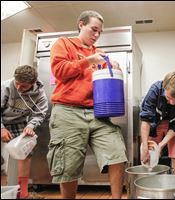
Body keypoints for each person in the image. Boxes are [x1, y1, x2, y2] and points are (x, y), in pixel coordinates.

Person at [47, 10, 127, 199]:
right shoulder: (64, 43)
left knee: (116, 153)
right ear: (81, 25)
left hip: (97, 112)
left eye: (100, 32)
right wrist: (88, 61)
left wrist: (114, 67)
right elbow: (60, 71)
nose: (97, 35)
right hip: (67, 111)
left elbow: (104, 82)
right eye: (94, 30)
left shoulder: (99, 53)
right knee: (68, 165)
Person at [1, 65, 48, 199]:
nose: (19, 88)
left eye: (24, 86)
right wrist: (1, 128)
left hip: (18, 121)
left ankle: (23, 194)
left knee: (25, 154)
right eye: (17, 84)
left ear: (32, 84)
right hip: (2, 119)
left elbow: (39, 114)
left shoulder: (40, 94)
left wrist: (31, 126)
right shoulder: (5, 87)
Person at [140, 71, 175, 175]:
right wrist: (144, 146)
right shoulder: (155, 90)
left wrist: (162, 144)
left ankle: (174, 184)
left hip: (174, 126)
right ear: (164, 87)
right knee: (150, 152)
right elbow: (145, 119)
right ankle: (150, 182)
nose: (172, 102)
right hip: (156, 123)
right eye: (169, 98)